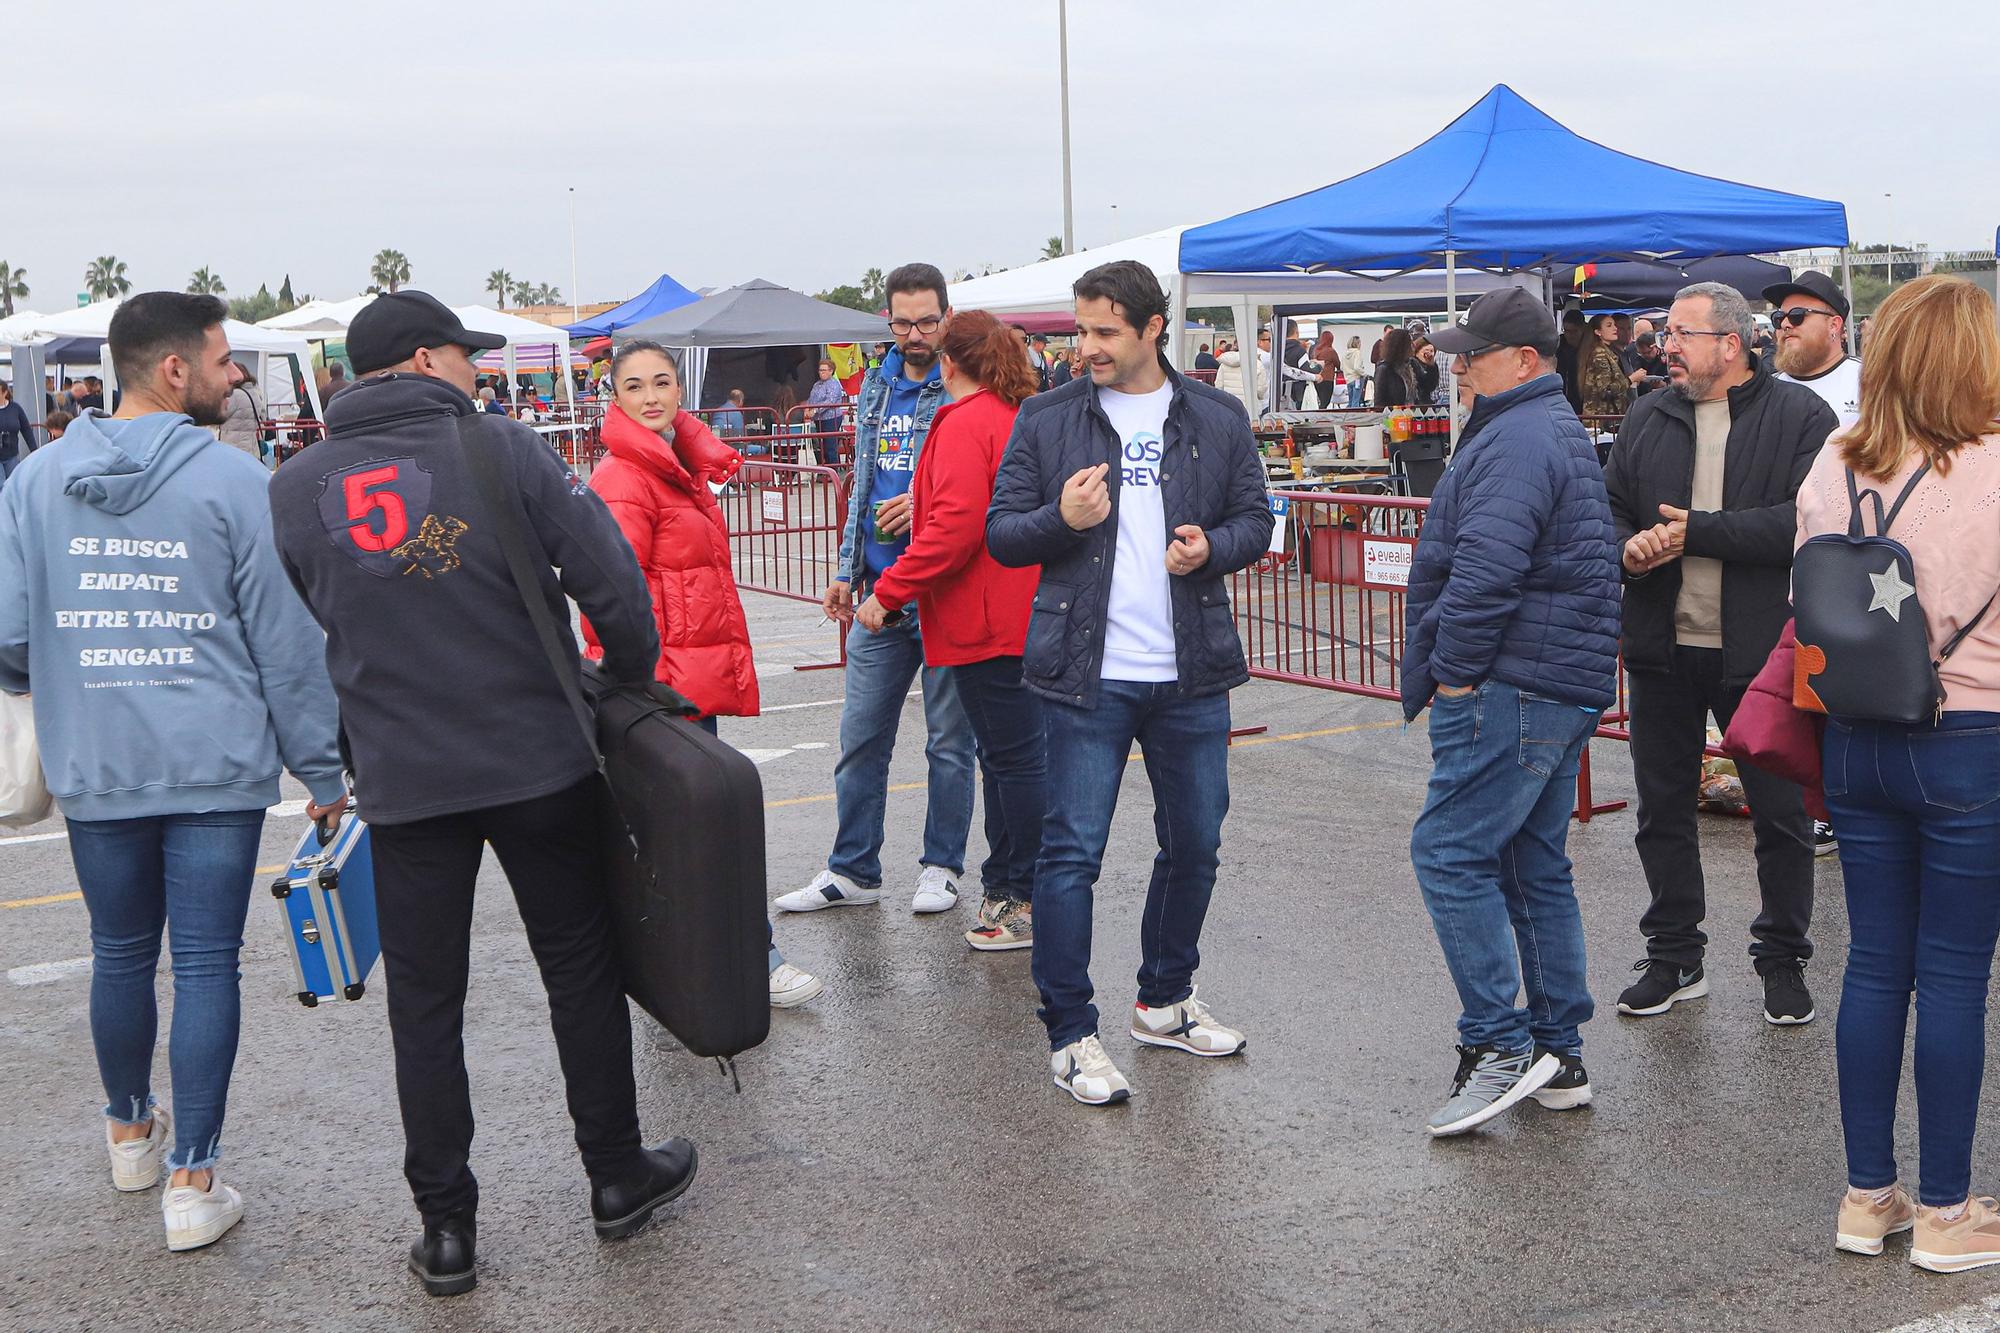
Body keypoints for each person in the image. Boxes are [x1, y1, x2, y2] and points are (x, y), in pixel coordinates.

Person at [267, 291, 697, 1296]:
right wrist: (629, 674)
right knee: (578, 970)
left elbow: (306, 637)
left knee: (425, 1003)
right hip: (535, 760)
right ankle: (614, 1178)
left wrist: (332, 759)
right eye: (466, 355)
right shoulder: (498, 447)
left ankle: (447, 1227)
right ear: (424, 358)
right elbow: (609, 580)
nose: (476, 372)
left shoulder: (292, 487)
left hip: (405, 778)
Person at [0, 292, 347, 1251]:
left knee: (119, 953)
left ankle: (126, 1132)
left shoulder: (33, 481)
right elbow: (286, 646)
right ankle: (193, 1182)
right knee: (202, 966)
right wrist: (323, 771)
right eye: (225, 359)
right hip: (216, 762)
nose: (234, 373)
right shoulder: (236, 482)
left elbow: (11, 637)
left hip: (97, 758)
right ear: (172, 371)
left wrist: (79, 662)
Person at [988, 259, 1273, 1106]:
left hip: (1189, 672)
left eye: (1105, 331)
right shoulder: (1046, 418)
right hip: (1086, 675)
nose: (1088, 348)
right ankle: (1072, 1033)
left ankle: (1165, 997)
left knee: (1198, 842)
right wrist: (1061, 519)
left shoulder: (1217, 417)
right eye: (1082, 331)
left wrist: (1211, 549)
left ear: (1154, 328)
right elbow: (1003, 534)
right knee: (1071, 852)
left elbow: (1255, 518)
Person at [1796, 276, 2000, 1272]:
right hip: (1970, 738)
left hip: (1854, 734)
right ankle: (1947, 1210)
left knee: (1874, 962)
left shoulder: (1833, 460)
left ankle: (1865, 1195)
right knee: (1954, 974)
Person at [1402, 287, 1621, 1136]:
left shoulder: (1520, 435)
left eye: (1473, 353)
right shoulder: (1534, 426)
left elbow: (1488, 571)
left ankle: (1499, 1043)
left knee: (1449, 852)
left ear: (1522, 361)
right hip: (1547, 676)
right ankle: (1556, 1051)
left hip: (1516, 681)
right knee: (1532, 862)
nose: (1458, 366)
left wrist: (1453, 675)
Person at [1604, 281, 1839, 1026]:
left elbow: (1801, 524)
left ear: (1730, 344)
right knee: (1661, 808)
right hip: (1661, 646)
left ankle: (1781, 958)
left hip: (1762, 653)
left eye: (1681, 333)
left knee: (1780, 816)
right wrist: (1630, 549)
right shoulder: (1649, 414)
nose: (1665, 345)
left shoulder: (1803, 416)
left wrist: (1695, 531)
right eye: (1667, 332)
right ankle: (1674, 955)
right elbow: (1609, 508)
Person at [580, 339, 824, 1008]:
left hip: (686, 680)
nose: (652, 396)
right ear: (615, 397)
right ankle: (753, 955)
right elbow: (610, 594)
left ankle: (689, 962)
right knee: (701, 828)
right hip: (660, 688)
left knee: (685, 830)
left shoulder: (674, 465)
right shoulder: (625, 477)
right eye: (635, 386)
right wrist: (642, 684)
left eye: (662, 382)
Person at [777, 263, 975, 917]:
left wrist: (927, 503)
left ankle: (941, 867)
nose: (915, 333)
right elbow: (861, 484)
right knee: (860, 736)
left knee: (949, 741)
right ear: (886, 320)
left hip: (946, 591)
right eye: (902, 321)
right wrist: (844, 570)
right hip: (878, 594)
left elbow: (987, 482)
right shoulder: (874, 386)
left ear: (947, 316)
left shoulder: (963, 388)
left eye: (926, 320)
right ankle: (852, 868)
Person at [856, 310, 1045, 951]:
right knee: (1009, 759)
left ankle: (1020, 896)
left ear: (950, 359)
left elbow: (953, 531)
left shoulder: (968, 421)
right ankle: (1011, 886)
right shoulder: (1008, 412)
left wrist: (887, 592)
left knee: (1011, 762)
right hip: (1011, 613)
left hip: (985, 618)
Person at [1764, 270, 1860, 431]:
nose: (1785, 324)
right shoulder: (1766, 389)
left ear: (1834, 325)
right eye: (1779, 318)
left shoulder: (1869, 381)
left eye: (1797, 315)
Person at [1578, 313, 1632, 420]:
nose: (1614, 328)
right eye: (1609, 325)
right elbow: (1605, 390)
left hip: (1608, 418)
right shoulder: (1599, 355)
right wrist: (1630, 379)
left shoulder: (1607, 353)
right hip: (1601, 419)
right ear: (1598, 332)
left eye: (1614, 325)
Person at [217, 366, 266, 460]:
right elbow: (263, 416)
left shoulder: (235, 395)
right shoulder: (255, 393)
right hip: (252, 446)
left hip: (234, 445)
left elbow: (219, 415)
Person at [1373, 327, 1419, 409]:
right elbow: (1379, 402)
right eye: (1410, 342)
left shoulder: (1412, 364)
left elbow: (1428, 385)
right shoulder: (1384, 369)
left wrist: (1431, 364)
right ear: (1401, 346)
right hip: (1394, 418)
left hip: (1412, 415)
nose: (1414, 345)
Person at [1213, 338, 1267, 403]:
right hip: (1250, 404)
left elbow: (1218, 385)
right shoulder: (1257, 364)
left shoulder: (1224, 364)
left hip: (1229, 404)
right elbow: (1261, 389)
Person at [1557, 308, 1588, 410]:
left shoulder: (1590, 347)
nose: (1569, 335)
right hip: (1562, 399)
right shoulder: (1558, 347)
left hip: (1583, 402)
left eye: (1574, 331)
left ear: (1583, 328)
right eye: (1566, 331)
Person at [805, 357, 846, 434]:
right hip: (819, 419)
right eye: (820, 370)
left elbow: (830, 401)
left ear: (831, 371)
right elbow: (811, 398)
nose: (821, 372)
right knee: (822, 443)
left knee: (829, 444)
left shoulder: (834, 384)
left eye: (824, 370)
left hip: (831, 418)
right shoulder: (817, 384)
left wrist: (815, 410)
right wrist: (807, 408)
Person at [0, 381, 29, 484]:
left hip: (11, 454)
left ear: (5, 393)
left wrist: (34, 449)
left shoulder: (15, 408)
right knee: (1, 485)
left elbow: (26, 429)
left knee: (13, 483)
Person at [1311, 330, 1342, 408]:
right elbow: (1337, 363)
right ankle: (1321, 417)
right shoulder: (1331, 351)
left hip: (1317, 378)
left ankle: (1319, 416)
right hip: (1327, 379)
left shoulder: (1316, 350)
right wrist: (1338, 369)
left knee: (1321, 400)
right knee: (1326, 401)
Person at [1342, 334, 1369, 407]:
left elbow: (1342, 367)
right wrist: (1364, 374)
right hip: (1357, 379)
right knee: (1356, 402)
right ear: (1357, 343)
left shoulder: (1345, 354)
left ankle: (1348, 416)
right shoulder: (1357, 352)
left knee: (1350, 402)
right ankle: (1354, 417)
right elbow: (1356, 367)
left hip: (1348, 380)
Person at [1413, 339, 1442, 405]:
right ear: (1417, 351)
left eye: (1431, 351)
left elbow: (1431, 386)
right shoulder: (1413, 363)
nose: (1429, 354)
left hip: (1425, 402)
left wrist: (1431, 365)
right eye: (1426, 351)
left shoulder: (1432, 366)